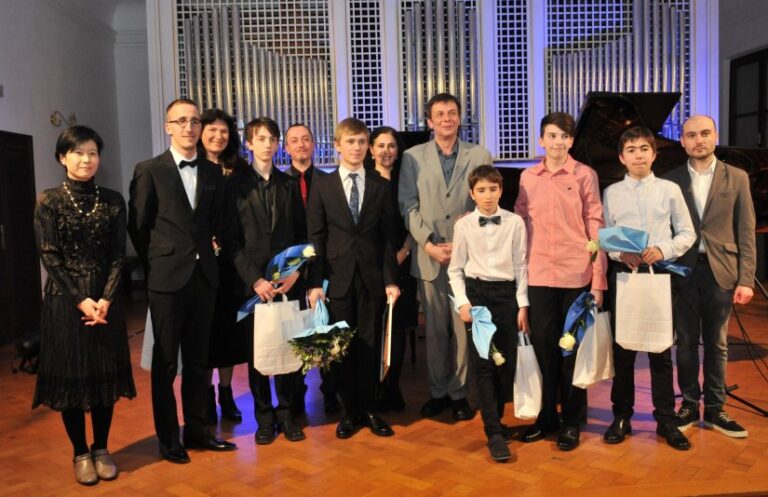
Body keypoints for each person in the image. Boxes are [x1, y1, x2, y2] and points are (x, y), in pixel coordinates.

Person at [128, 98, 235, 464]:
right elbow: (138, 226)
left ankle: (198, 430)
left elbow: (218, 223)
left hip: (204, 277)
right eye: (181, 121)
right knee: (166, 365)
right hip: (167, 278)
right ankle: (168, 438)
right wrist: (160, 261)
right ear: (168, 127)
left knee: (198, 361)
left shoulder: (212, 172)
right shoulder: (149, 170)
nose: (189, 127)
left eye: (194, 121)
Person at [33, 125, 136, 485]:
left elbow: (118, 255)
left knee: (105, 376)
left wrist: (106, 298)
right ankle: (80, 452)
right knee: (73, 380)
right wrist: (81, 300)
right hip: (65, 302)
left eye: (93, 153)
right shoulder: (48, 201)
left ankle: (102, 448)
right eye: (78, 152)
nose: (86, 159)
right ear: (63, 158)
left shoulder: (112, 200)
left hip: (106, 300)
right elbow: (49, 256)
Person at [513, 112, 607, 451]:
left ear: (571, 141)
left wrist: (598, 280)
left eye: (564, 136)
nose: (558, 142)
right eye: (552, 136)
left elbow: (595, 225)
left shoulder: (585, 175)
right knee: (543, 350)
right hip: (538, 273)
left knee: (572, 350)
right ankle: (545, 418)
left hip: (576, 273)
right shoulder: (527, 177)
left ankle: (571, 421)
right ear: (541, 140)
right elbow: (519, 223)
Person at [399, 93, 492, 421]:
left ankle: (460, 392)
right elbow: (407, 205)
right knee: (436, 331)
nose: (446, 119)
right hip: (430, 256)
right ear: (429, 121)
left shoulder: (479, 154)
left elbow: (487, 202)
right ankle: (438, 391)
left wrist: (465, 237)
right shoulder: (412, 157)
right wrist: (427, 244)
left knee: (463, 329)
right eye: (439, 114)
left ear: (459, 117)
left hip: (467, 257)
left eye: (452, 113)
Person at [601, 126, 696, 451]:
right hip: (626, 277)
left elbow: (687, 233)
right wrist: (619, 253)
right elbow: (606, 235)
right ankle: (622, 416)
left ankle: (666, 419)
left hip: (659, 276)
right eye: (631, 150)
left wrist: (663, 249)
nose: (638, 155)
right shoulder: (612, 192)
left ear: (654, 154)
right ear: (621, 158)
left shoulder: (669, 189)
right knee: (623, 351)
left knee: (660, 351)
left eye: (644, 149)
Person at [307, 117, 400, 439]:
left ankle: (370, 409)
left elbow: (387, 238)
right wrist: (314, 283)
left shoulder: (380, 186)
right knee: (342, 348)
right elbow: (316, 237)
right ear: (337, 145)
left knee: (371, 346)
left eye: (362, 142)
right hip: (338, 278)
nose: (357, 147)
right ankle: (347, 413)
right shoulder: (322, 186)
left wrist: (391, 280)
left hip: (372, 278)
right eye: (350, 142)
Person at [665, 115, 756, 438]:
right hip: (683, 270)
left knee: (717, 343)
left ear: (716, 136)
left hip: (722, 270)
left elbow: (746, 231)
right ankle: (689, 404)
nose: (699, 140)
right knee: (685, 342)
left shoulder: (738, 177)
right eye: (691, 135)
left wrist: (746, 279)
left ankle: (716, 408)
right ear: (682, 141)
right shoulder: (670, 180)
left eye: (705, 133)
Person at [225, 117, 307, 444]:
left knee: (287, 348)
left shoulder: (289, 184)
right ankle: (263, 417)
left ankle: (286, 414)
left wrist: (295, 271)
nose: (268, 144)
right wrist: (255, 280)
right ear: (248, 143)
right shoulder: (234, 185)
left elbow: (301, 235)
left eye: (272, 139)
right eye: (261, 138)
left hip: (287, 281)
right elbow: (231, 241)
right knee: (257, 352)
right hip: (251, 283)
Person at [448, 165, 530, 463]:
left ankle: (498, 419)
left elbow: (521, 265)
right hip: (478, 296)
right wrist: (463, 303)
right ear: (472, 194)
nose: (487, 195)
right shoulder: (464, 225)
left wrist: (522, 304)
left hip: (507, 296)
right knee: (483, 365)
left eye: (492, 189)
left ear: (501, 190)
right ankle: (493, 432)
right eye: (481, 190)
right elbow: (455, 269)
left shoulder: (515, 222)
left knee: (505, 364)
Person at [283, 122, 339, 415]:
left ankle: (330, 390)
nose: (301, 144)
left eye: (306, 139)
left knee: (325, 326)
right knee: (296, 328)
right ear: (286, 148)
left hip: (324, 262)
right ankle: (296, 392)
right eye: (294, 140)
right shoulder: (281, 184)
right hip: (293, 268)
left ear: (314, 144)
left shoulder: (329, 182)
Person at [198, 108, 248, 425]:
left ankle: (226, 393)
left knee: (228, 332)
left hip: (233, 261)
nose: (218, 136)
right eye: (212, 130)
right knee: (206, 333)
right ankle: (205, 396)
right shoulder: (193, 166)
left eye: (224, 131)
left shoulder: (238, 169)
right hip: (201, 262)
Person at [366, 126, 419, 412]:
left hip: (403, 261)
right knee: (374, 328)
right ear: (371, 150)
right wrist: (385, 259)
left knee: (397, 328)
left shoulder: (405, 181)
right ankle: (374, 387)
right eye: (381, 145)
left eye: (391, 146)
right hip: (374, 265)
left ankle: (393, 386)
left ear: (398, 151)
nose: (386, 151)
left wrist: (405, 251)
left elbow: (416, 219)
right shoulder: (365, 180)